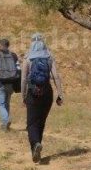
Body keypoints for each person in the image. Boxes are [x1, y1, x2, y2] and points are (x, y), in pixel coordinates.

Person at [21, 33, 63, 163]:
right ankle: (37, 145)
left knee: (31, 123)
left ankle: (35, 145)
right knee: (41, 122)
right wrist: (60, 94)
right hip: (47, 92)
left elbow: (23, 78)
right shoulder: (49, 57)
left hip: (33, 93)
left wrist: (23, 95)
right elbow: (56, 76)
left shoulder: (28, 58)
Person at [0, 38, 21, 131]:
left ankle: (6, 120)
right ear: (8, 45)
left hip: (1, 83)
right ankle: (5, 123)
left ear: (0, 45)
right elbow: (19, 69)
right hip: (11, 84)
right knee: (7, 103)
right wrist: (17, 83)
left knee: (1, 104)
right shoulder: (14, 55)